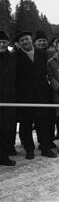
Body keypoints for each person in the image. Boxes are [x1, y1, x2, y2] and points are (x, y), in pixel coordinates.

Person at [15, 31, 57, 159]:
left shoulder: (42, 54)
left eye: (26, 39)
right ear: (19, 43)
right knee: (26, 123)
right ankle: (29, 149)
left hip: (41, 93)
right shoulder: (16, 56)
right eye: (22, 40)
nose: (25, 42)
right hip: (25, 95)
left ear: (31, 39)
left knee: (43, 122)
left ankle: (45, 147)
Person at [0, 31, 17, 166]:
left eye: (4, 42)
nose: (2, 44)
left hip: (9, 97)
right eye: (0, 42)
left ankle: (4, 155)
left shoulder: (12, 57)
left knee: (7, 128)